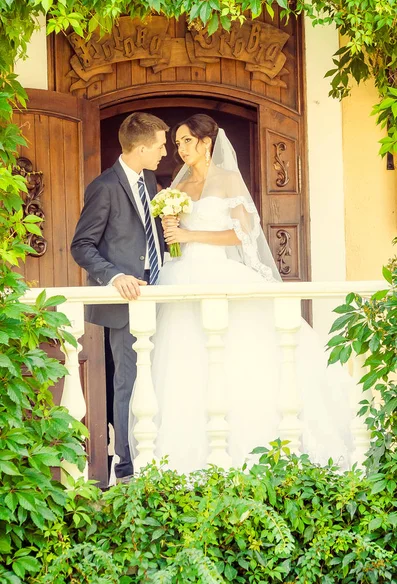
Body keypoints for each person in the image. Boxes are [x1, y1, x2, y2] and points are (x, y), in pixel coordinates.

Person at [130, 113, 353, 473]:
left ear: (206, 143)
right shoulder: (178, 187)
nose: (181, 148)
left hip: (218, 271)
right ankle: (184, 460)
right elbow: (174, 236)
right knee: (184, 361)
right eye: (177, 143)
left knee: (239, 358)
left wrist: (190, 236)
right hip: (182, 275)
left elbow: (242, 234)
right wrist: (171, 225)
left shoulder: (228, 180)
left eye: (187, 141)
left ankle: (253, 452)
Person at [71, 112, 169, 483]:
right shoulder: (105, 186)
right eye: (160, 145)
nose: (164, 151)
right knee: (129, 382)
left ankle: (160, 453)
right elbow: (82, 245)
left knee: (162, 375)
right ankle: (128, 468)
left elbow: (149, 238)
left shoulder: (151, 180)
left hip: (164, 295)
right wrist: (113, 276)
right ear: (141, 147)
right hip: (127, 303)